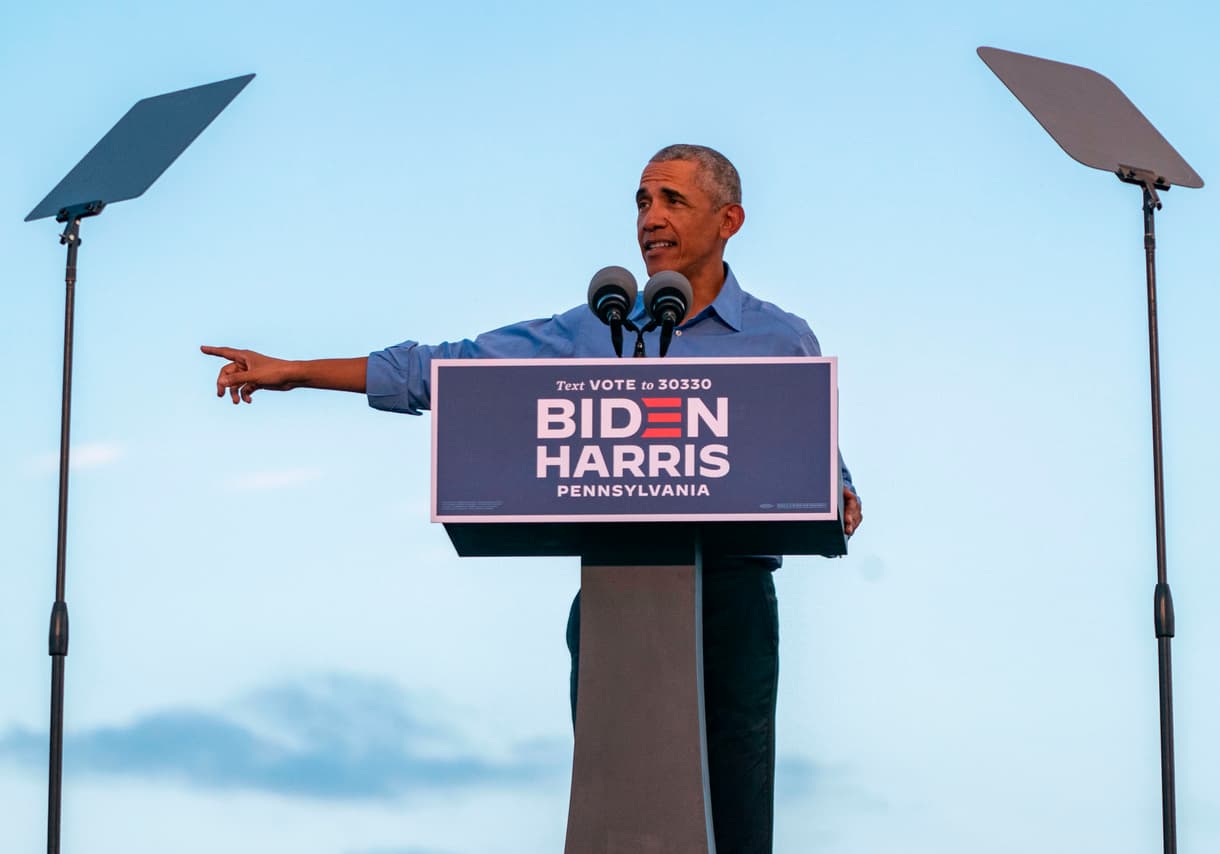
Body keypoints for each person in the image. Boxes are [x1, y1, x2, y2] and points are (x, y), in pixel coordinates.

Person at [203, 144, 862, 854]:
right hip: (620, 597)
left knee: (732, 811)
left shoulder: (778, 338)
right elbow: (445, 368)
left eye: (672, 199)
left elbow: (812, 450)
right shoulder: (594, 329)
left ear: (728, 219)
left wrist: (843, 490)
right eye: (642, 201)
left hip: (732, 599)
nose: (650, 218)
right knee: (627, 804)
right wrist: (298, 371)